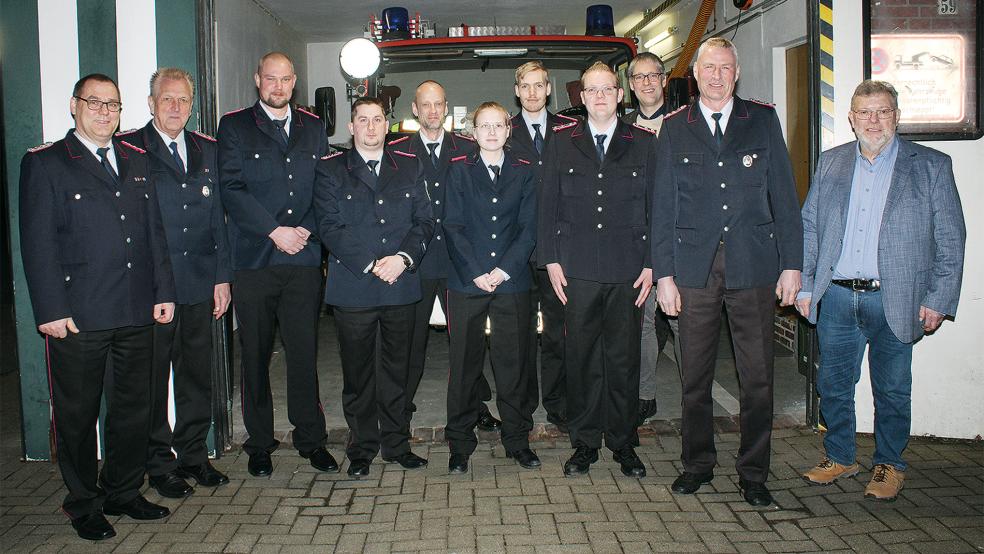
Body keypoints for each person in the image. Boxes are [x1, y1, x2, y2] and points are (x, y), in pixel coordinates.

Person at [19, 73, 176, 540]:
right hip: (78, 315)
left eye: (113, 105)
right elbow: (38, 243)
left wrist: (163, 291)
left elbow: (153, 232)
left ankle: (122, 491)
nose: (105, 112)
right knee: (78, 414)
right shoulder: (46, 163)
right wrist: (50, 309)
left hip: (134, 308)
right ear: (74, 106)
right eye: (95, 103)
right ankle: (83, 503)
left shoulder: (136, 159)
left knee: (133, 409)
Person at [797, 80, 965, 501]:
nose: (874, 120)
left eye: (883, 111)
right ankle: (840, 456)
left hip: (897, 297)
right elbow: (810, 228)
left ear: (896, 116)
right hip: (837, 297)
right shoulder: (831, 162)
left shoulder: (930, 165)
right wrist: (805, 285)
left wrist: (939, 299)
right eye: (865, 112)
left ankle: (890, 463)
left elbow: (950, 238)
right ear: (851, 118)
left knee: (891, 389)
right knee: (833, 384)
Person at [652, 37, 803, 506]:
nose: (716, 76)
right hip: (693, 269)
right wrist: (664, 276)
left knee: (757, 377)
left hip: (753, 265)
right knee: (694, 376)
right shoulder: (674, 128)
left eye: (725, 68)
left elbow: (784, 198)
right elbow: (662, 207)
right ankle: (697, 464)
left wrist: (792, 265)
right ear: (694, 74)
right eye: (708, 68)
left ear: (736, 74)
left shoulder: (761, 120)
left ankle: (754, 472)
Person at [114, 67, 232, 499]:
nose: (176, 107)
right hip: (153, 290)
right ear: (151, 103)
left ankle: (194, 455)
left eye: (183, 99)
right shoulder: (130, 149)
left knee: (196, 376)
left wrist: (222, 277)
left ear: (192, 105)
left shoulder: (208, 149)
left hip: (200, 284)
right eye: (167, 99)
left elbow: (219, 218)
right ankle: (159, 465)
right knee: (151, 381)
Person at [217, 52, 335, 478]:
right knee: (255, 355)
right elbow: (231, 188)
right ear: (257, 80)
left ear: (294, 81)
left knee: (303, 353)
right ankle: (260, 443)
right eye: (271, 78)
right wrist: (274, 231)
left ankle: (311, 439)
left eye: (285, 79)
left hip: (303, 258)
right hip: (254, 260)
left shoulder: (313, 127)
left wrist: (304, 230)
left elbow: (325, 186)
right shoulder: (234, 126)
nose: (278, 86)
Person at [539, 61, 655, 478]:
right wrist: (551, 259)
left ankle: (623, 442)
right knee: (581, 357)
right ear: (581, 97)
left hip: (628, 270)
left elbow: (656, 206)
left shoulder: (644, 143)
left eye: (608, 88)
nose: (601, 96)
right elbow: (547, 204)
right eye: (592, 90)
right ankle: (585, 442)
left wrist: (652, 263)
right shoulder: (560, 142)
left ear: (620, 95)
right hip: (578, 269)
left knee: (623, 360)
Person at [315, 97, 435, 478]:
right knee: (359, 374)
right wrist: (370, 263)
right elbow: (329, 226)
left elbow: (425, 221)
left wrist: (403, 258)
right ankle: (362, 448)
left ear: (388, 125)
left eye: (377, 119)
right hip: (355, 288)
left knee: (398, 371)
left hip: (400, 284)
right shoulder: (331, 170)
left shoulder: (410, 166)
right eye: (363, 120)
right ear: (351, 127)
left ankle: (396, 444)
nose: (370, 127)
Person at [390, 80, 501, 434]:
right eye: (426, 104)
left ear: (446, 107)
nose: (433, 111)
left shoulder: (468, 147)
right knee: (410, 345)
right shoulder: (398, 150)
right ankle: (399, 411)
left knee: (467, 344)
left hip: (458, 263)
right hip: (417, 264)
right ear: (415, 109)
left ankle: (475, 406)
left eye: (438, 104)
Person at [444, 102, 538, 474]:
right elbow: (452, 226)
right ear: (473, 132)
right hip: (468, 282)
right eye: (484, 126)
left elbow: (528, 228)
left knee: (513, 365)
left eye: (498, 125)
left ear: (508, 129)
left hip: (511, 282)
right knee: (464, 367)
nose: (492, 132)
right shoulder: (458, 170)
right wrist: (477, 272)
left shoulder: (524, 170)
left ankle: (517, 440)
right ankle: (459, 445)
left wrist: (503, 270)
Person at [506, 61, 577, 432]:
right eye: (525, 86)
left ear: (549, 89)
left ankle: (558, 403)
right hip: (516, 252)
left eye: (539, 85)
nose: (532, 92)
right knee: (517, 335)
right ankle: (521, 405)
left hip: (558, 253)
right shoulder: (503, 131)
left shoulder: (570, 131)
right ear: (516, 91)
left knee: (556, 333)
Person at [621, 52, 680, 426]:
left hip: (678, 242)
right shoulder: (623, 128)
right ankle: (645, 396)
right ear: (630, 84)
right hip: (638, 245)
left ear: (664, 80)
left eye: (652, 75)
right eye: (638, 77)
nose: (646, 83)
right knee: (641, 324)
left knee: (682, 322)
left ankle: (695, 396)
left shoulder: (685, 122)